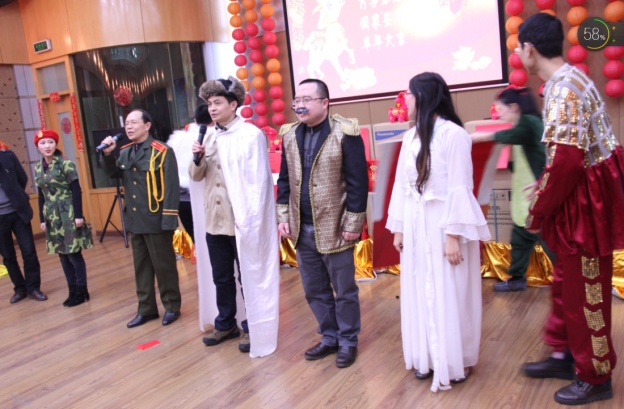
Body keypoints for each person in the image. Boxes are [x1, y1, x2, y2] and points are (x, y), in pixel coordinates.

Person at [516, 13, 624, 405]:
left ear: (529, 50)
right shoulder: (571, 78)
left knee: (585, 293)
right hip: (581, 195)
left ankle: (596, 376)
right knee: (566, 283)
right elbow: (565, 157)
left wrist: (538, 209)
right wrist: (547, 182)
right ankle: (564, 355)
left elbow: (566, 161)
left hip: (586, 205)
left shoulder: (562, 90)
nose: (519, 54)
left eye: (518, 48)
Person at [386, 72, 491, 392]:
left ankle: (456, 359)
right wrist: (399, 228)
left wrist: (453, 236)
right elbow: (402, 186)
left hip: (444, 224)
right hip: (416, 224)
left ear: (424, 96)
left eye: (408, 93)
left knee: (451, 291)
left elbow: (461, 186)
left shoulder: (454, 134)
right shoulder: (410, 137)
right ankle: (427, 357)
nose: (404, 99)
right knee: (420, 289)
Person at [277, 78, 368, 368]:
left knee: (344, 290)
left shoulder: (345, 132)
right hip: (301, 226)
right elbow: (284, 181)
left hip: (336, 224)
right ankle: (330, 336)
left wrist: (353, 223)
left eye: (307, 99)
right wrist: (283, 216)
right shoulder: (290, 134)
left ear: (325, 102)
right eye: (297, 100)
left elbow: (358, 182)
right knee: (313, 288)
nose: (299, 105)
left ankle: (348, 340)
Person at [190, 76, 279, 357]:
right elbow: (196, 177)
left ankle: (252, 325)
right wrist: (197, 157)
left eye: (217, 103)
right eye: (209, 104)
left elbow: (259, 182)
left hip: (242, 221)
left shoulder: (250, 134)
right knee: (221, 277)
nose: (212, 108)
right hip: (215, 221)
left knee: (247, 275)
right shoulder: (209, 136)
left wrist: (252, 218)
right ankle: (225, 323)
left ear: (233, 104)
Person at [100, 109, 182, 328]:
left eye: (134, 123)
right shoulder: (125, 151)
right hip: (136, 220)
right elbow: (113, 174)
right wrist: (107, 155)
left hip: (155, 218)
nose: (129, 127)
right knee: (141, 268)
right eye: (127, 123)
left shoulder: (162, 151)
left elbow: (171, 188)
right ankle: (146, 309)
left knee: (164, 267)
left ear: (147, 126)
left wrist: (169, 220)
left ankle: (172, 306)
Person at [471, 87, 555, 291]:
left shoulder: (528, 122)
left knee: (547, 239)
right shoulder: (527, 122)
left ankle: (570, 278)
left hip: (538, 192)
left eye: (500, 108)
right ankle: (517, 278)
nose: (498, 113)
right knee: (521, 237)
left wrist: (480, 137)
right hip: (529, 193)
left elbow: (513, 135)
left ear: (514, 107)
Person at [34, 130, 93, 306]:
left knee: (73, 253)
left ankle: (82, 291)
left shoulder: (65, 164)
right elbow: (41, 194)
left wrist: (78, 215)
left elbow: (76, 190)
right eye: (43, 143)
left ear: (56, 144)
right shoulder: (38, 167)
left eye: (50, 142)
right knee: (62, 255)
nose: (47, 146)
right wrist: (42, 219)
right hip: (52, 215)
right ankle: (72, 290)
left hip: (68, 212)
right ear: (37, 147)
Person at [0, 143, 47, 304]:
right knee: (8, 256)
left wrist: (15, 195)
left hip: (18, 212)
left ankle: (33, 288)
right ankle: (20, 289)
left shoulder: (7, 156)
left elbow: (22, 178)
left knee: (29, 252)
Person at [167, 103, 214, 242]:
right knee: (213, 241)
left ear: (195, 120)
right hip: (206, 197)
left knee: (197, 240)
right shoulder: (214, 138)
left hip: (182, 198)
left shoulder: (177, 139)